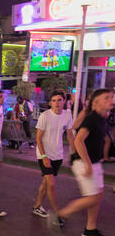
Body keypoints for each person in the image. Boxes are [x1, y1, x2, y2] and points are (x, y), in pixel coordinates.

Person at [48, 89, 113, 236]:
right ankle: (59, 215)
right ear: (95, 103)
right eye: (106, 98)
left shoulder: (103, 117)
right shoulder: (92, 118)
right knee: (93, 197)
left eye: (111, 97)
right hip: (83, 162)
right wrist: (88, 164)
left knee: (98, 195)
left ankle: (90, 229)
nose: (110, 100)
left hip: (94, 162)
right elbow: (78, 140)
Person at [33, 90, 75, 222]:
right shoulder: (45, 116)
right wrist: (44, 156)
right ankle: (57, 214)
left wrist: (74, 153)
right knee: (51, 184)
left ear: (64, 101)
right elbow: (38, 138)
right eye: (54, 100)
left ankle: (37, 206)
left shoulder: (67, 115)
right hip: (44, 154)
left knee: (46, 183)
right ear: (50, 103)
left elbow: (69, 134)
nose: (57, 103)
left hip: (58, 154)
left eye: (59, 100)